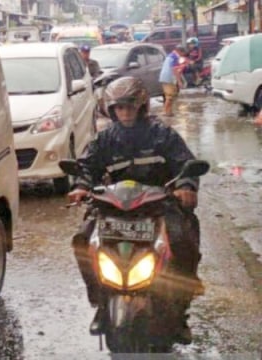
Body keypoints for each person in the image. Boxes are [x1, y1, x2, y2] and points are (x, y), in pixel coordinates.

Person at [67, 76, 203, 344]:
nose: (125, 113)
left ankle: (181, 309)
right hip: (113, 209)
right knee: (82, 240)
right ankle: (101, 300)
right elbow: (86, 166)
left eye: (130, 107)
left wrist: (186, 186)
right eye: (119, 108)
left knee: (184, 240)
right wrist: (81, 186)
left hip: (159, 207)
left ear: (141, 108)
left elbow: (185, 163)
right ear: (112, 110)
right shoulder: (105, 138)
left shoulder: (162, 134)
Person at [159, 44, 186, 117]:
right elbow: (175, 70)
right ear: (180, 51)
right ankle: (165, 112)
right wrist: (179, 81)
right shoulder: (175, 57)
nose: (183, 55)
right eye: (183, 53)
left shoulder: (170, 55)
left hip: (165, 77)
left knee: (170, 96)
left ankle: (169, 112)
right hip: (168, 78)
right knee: (170, 96)